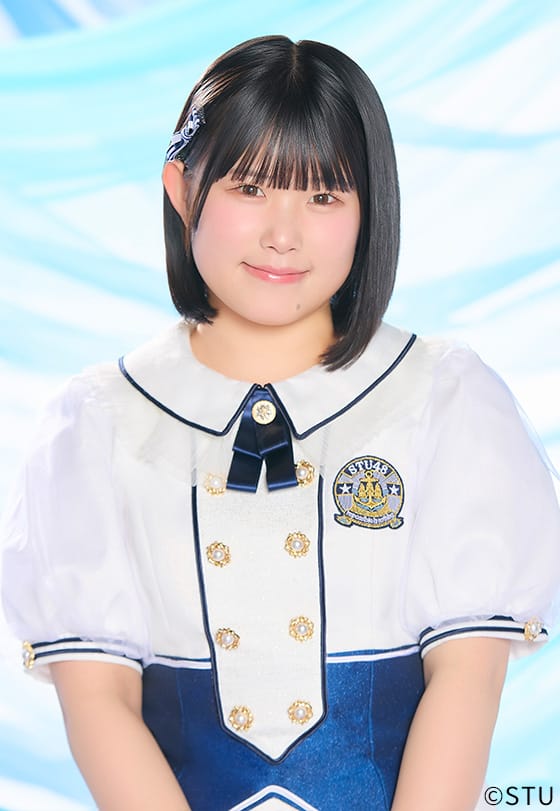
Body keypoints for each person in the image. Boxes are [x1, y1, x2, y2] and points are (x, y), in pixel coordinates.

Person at [1, 34, 559, 811]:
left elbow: (466, 678)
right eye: (251, 187)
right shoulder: (99, 425)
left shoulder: (441, 402)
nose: (283, 235)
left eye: (324, 196)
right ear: (181, 190)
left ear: (371, 207)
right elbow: (98, 700)